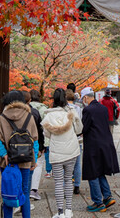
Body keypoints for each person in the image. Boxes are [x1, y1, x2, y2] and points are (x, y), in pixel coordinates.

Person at [0, 91, 39, 218]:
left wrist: (4, 154)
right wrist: (34, 161)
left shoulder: (2, 117)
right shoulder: (29, 117)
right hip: (26, 161)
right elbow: (35, 140)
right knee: (24, 192)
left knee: (8, 192)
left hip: (7, 163)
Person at [43, 88, 83, 218]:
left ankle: (60, 212)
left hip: (57, 152)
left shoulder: (48, 115)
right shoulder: (71, 112)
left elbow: (47, 134)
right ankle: (69, 210)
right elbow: (79, 129)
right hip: (71, 150)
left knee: (59, 181)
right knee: (68, 180)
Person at [80, 87, 119, 212]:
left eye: (83, 99)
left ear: (86, 97)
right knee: (100, 170)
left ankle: (98, 202)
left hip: (93, 144)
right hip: (106, 142)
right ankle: (107, 196)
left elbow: (84, 128)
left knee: (92, 172)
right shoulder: (102, 108)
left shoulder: (87, 110)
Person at [27, 90, 48, 201]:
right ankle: (34, 190)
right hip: (37, 141)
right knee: (38, 164)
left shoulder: (20, 110)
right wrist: (42, 145)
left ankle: (25, 188)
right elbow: (41, 130)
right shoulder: (43, 109)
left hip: (22, 142)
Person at [65, 89, 83, 194]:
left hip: (66, 136)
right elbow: (80, 121)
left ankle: (65, 185)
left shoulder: (63, 109)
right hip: (77, 137)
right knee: (77, 163)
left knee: (65, 162)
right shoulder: (78, 108)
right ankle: (77, 185)